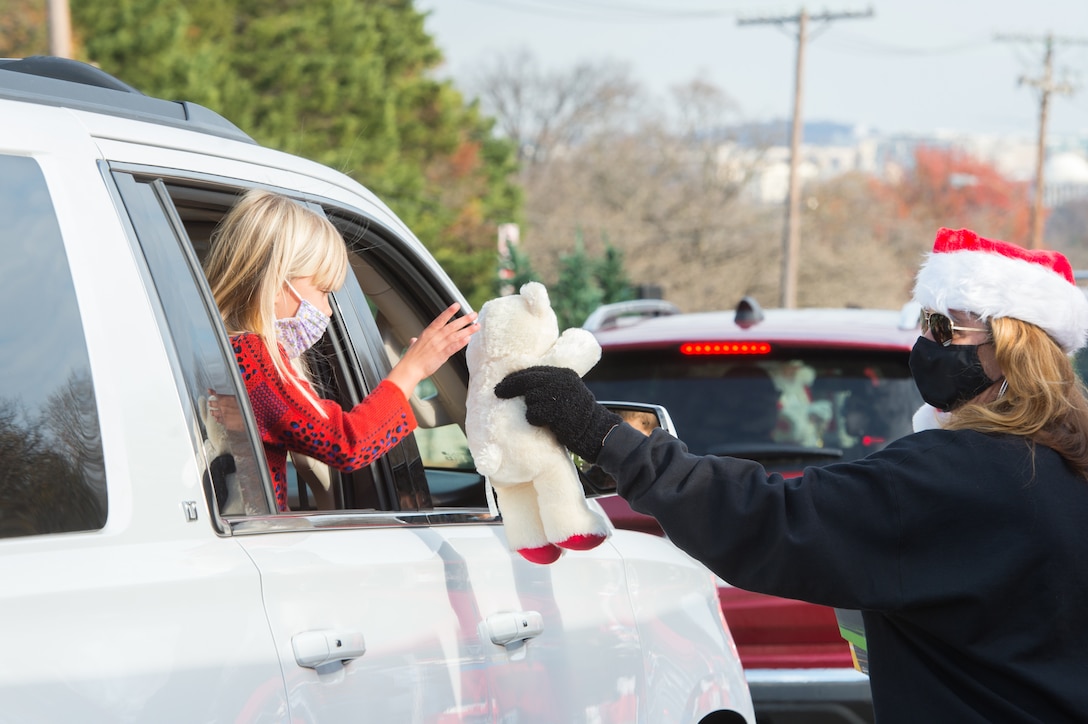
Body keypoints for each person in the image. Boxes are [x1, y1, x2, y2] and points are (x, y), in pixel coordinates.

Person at [495, 227, 1088, 723]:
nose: (924, 343)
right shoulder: (1064, 465)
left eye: (943, 328)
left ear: (1011, 351)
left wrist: (602, 436)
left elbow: (767, 517)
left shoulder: (963, 475)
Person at [203, 189, 478, 512]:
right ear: (277, 284)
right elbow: (346, 443)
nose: (328, 311)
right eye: (322, 291)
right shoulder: (254, 359)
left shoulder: (213, 349)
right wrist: (412, 370)